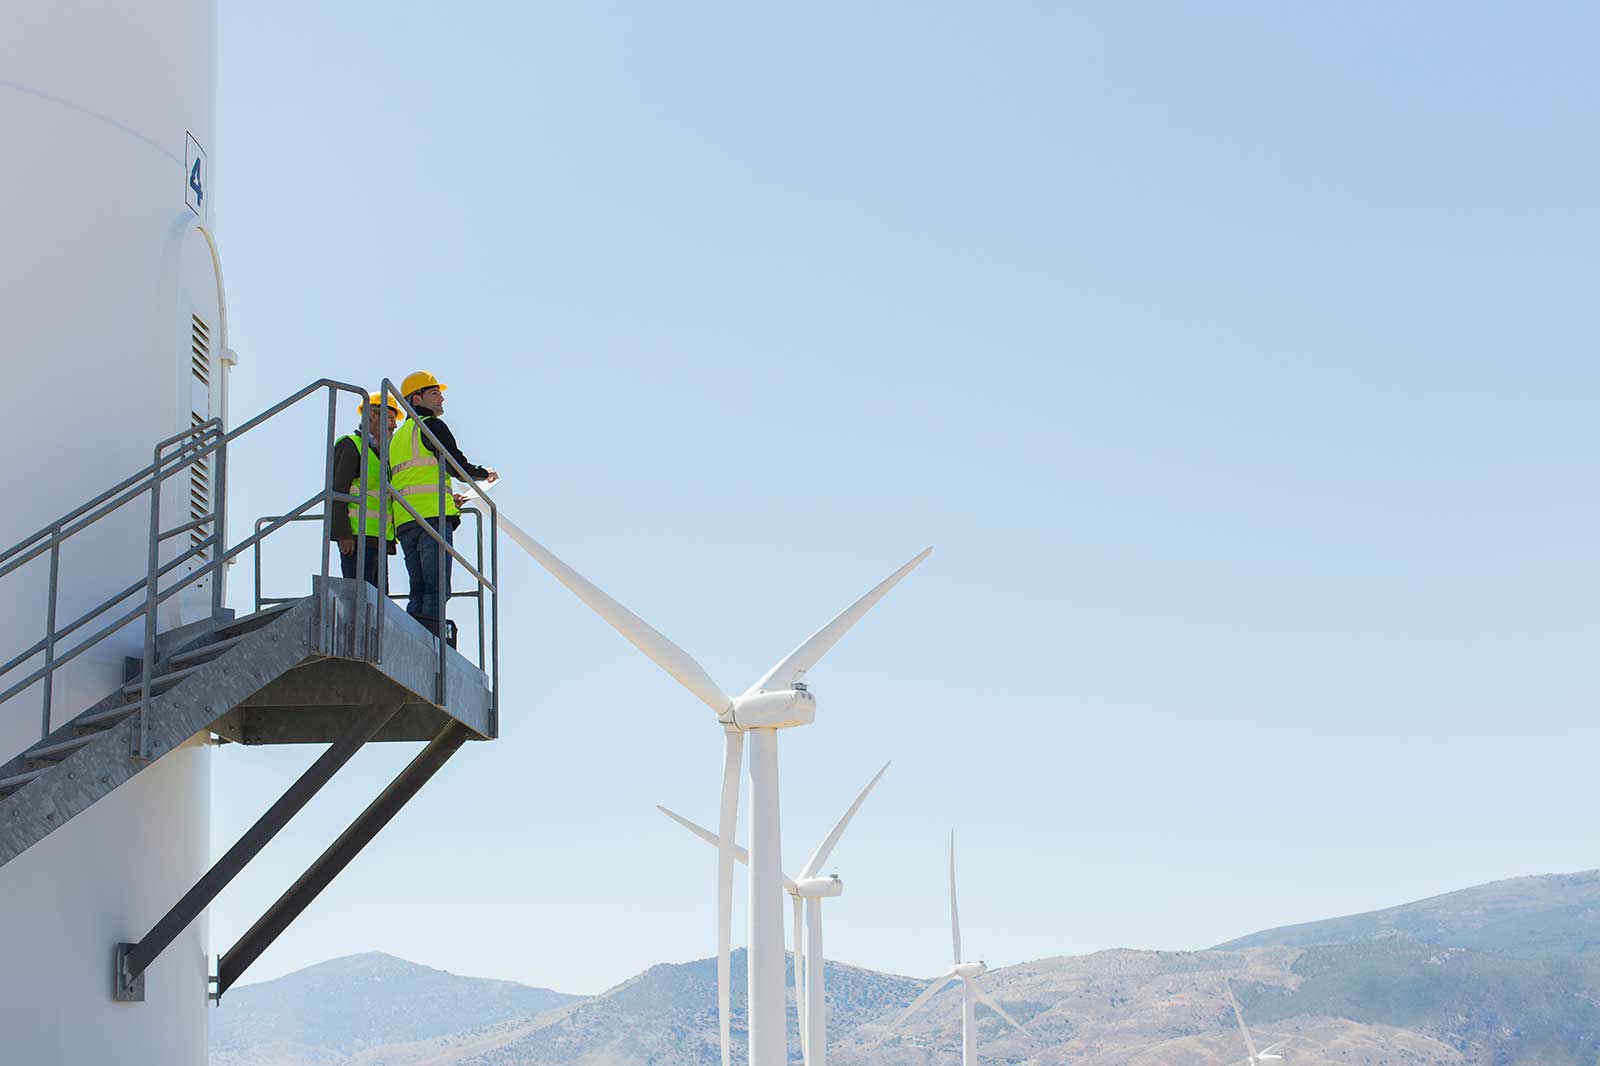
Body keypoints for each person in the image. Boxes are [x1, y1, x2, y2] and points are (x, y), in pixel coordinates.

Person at [388, 371, 498, 644]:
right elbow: (455, 464)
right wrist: (484, 473)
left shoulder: (398, 438)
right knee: (436, 590)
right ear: (417, 398)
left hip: (405, 521)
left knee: (418, 590)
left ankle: (408, 639)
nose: (442, 398)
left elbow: (412, 479)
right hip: (432, 520)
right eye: (435, 393)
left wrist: (454, 500)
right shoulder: (429, 426)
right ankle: (428, 646)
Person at [330, 392, 400, 590]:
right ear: (371, 416)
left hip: (379, 541)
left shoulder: (381, 457)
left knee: (379, 606)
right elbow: (337, 491)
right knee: (360, 600)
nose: (394, 425)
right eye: (390, 418)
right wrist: (343, 534)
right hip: (356, 539)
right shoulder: (351, 445)